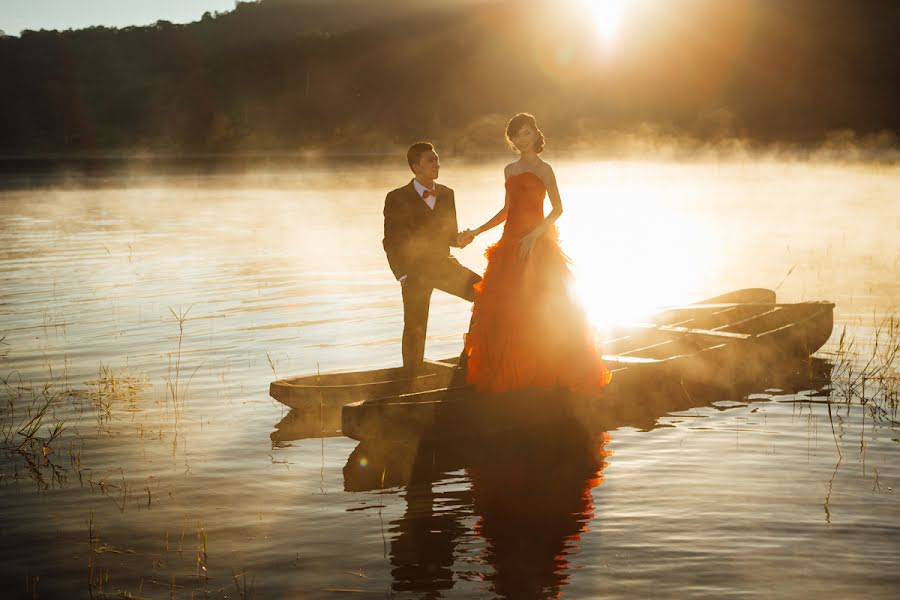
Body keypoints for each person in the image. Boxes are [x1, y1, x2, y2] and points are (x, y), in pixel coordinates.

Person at [459, 113, 611, 394]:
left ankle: (551, 372)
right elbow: (507, 211)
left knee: (542, 307)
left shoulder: (545, 169)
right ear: (512, 140)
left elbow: (558, 209)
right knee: (506, 308)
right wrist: (477, 231)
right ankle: (511, 374)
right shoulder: (509, 170)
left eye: (527, 133)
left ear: (535, 135)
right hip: (510, 244)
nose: (522, 139)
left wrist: (533, 235)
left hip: (538, 242)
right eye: (517, 134)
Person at [383, 142, 481, 371]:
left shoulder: (447, 194)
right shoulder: (396, 197)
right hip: (414, 273)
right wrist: (402, 275)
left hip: (444, 266)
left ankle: (467, 362)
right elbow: (391, 242)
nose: (437, 164)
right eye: (431, 160)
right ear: (416, 167)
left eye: (437, 159)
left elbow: (449, 237)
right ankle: (410, 377)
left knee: (485, 294)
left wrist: (460, 241)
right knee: (415, 327)